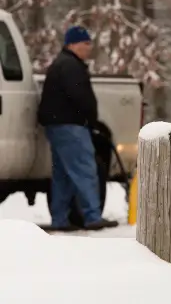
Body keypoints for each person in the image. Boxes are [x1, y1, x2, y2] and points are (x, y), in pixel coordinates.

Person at [38, 26, 118, 231]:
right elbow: (81, 98)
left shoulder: (62, 64)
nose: (88, 47)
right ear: (72, 44)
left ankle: (60, 220)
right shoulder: (71, 66)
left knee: (63, 175)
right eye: (85, 43)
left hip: (57, 126)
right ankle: (92, 216)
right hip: (71, 126)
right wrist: (91, 119)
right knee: (85, 170)